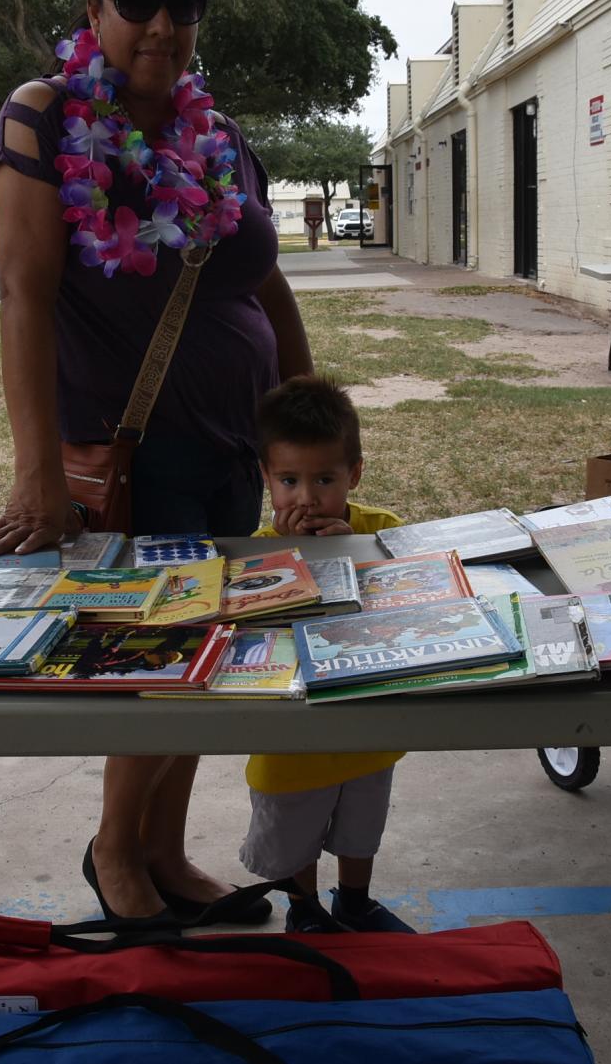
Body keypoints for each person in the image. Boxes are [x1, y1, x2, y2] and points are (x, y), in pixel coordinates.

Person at [0, 0, 312, 924]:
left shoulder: (218, 134)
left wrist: (307, 414)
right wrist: (34, 472)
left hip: (235, 450)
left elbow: (267, 283)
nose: (163, 23)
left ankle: (165, 846)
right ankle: (115, 847)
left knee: (214, 652)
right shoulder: (43, 117)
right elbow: (23, 297)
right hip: (131, 446)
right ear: (94, 13)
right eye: (139, 2)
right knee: (158, 660)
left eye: (183, 5)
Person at [242, 376, 415, 933]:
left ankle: (355, 900)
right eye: (288, 480)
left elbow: (410, 601)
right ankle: (306, 909)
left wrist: (349, 552)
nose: (307, 498)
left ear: (354, 475)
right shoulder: (258, 547)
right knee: (294, 826)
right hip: (293, 729)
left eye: (325, 479)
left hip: (367, 722)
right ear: (266, 477)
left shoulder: (379, 530)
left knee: (361, 822)